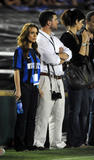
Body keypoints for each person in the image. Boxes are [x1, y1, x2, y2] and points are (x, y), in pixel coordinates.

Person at [33, 10, 72, 150]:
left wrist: (60, 55)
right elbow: (51, 59)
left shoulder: (54, 38)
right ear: (49, 22)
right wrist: (60, 56)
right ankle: (38, 142)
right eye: (55, 19)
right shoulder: (40, 38)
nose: (58, 22)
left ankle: (56, 142)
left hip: (58, 78)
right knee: (44, 111)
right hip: (45, 78)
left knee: (58, 111)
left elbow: (69, 52)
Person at [60, 8, 90, 147]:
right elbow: (78, 59)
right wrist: (84, 42)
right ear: (76, 21)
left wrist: (87, 42)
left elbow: (86, 58)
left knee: (84, 111)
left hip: (83, 78)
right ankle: (73, 140)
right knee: (76, 111)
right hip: (74, 79)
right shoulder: (66, 37)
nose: (82, 25)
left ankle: (82, 139)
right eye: (81, 22)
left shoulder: (77, 36)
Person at [13, 23, 41, 151]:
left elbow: (36, 71)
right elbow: (17, 71)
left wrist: (38, 87)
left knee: (32, 116)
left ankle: (29, 144)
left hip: (34, 88)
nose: (35, 35)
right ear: (26, 34)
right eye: (32, 33)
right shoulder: (19, 50)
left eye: (36, 33)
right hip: (24, 88)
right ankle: (19, 144)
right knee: (22, 117)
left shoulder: (35, 52)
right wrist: (18, 89)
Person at [85, 11, 94, 146]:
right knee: (84, 112)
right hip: (86, 80)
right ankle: (84, 139)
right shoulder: (81, 36)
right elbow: (83, 60)